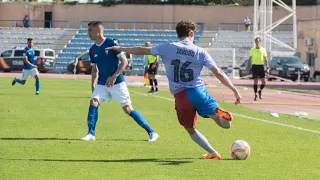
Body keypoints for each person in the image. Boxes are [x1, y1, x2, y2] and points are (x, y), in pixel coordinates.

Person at [106, 20, 242, 159]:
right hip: (198, 91)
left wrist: (120, 48)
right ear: (191, 33)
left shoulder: (168, 47)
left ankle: (213, 153)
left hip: (181, 96)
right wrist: (234, 90)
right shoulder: (200, 51)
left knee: (190, 128)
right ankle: (218, 115)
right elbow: (218, 72)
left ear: (178, 33)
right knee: (225, 125)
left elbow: (143, 50)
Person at [80, 21, 159, 142]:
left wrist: (114, 76)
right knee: (93, 102)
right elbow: (95, 69)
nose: (88, 33)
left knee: (127, 109)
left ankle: (152, 132)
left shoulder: (111, 43)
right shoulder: (92, 50)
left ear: (98, 31)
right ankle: (91, 133)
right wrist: (93, 84)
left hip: (117, 83)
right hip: (102, 83)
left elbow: (124, 61)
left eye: (90, 30)